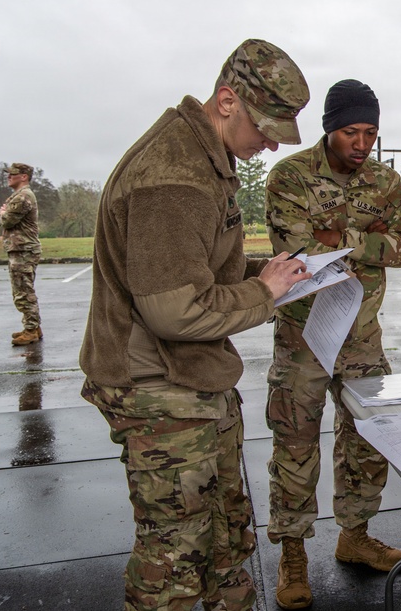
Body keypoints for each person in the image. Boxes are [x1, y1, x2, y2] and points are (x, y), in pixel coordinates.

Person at [79, 38, 313, 611]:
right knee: (177, 560)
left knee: (225, 535)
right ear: (227, 102)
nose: (266, 146)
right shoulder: (174, 176)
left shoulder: (204, 158)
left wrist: (272, 270)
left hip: (192, 382)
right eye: (264, 130)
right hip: (160, 391)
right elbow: (174, 309)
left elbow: (201, 265)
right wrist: (265, 291)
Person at [264, 79, 401, 609]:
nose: (361, 143)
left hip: (362, 337)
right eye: (351, 131)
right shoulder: (290, 177)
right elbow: (297, 254)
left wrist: (344, 239)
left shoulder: (386, 180)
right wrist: (366, 237)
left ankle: (354, 537)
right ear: (330, 128)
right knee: (295, 447)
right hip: (303, 337)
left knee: (367, 444)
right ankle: (292, 553)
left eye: (370, 132)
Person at [0, 162, 42, 346]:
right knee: (24, 289)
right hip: (20, 249)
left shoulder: (23, 197)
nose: (9, 177)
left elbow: (6, 220)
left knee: (23, 292)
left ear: (24, 176)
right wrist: (2, 213)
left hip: (23, 250)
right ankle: (33, 327)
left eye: (13, 174)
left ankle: (31, 330)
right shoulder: (19, 195)